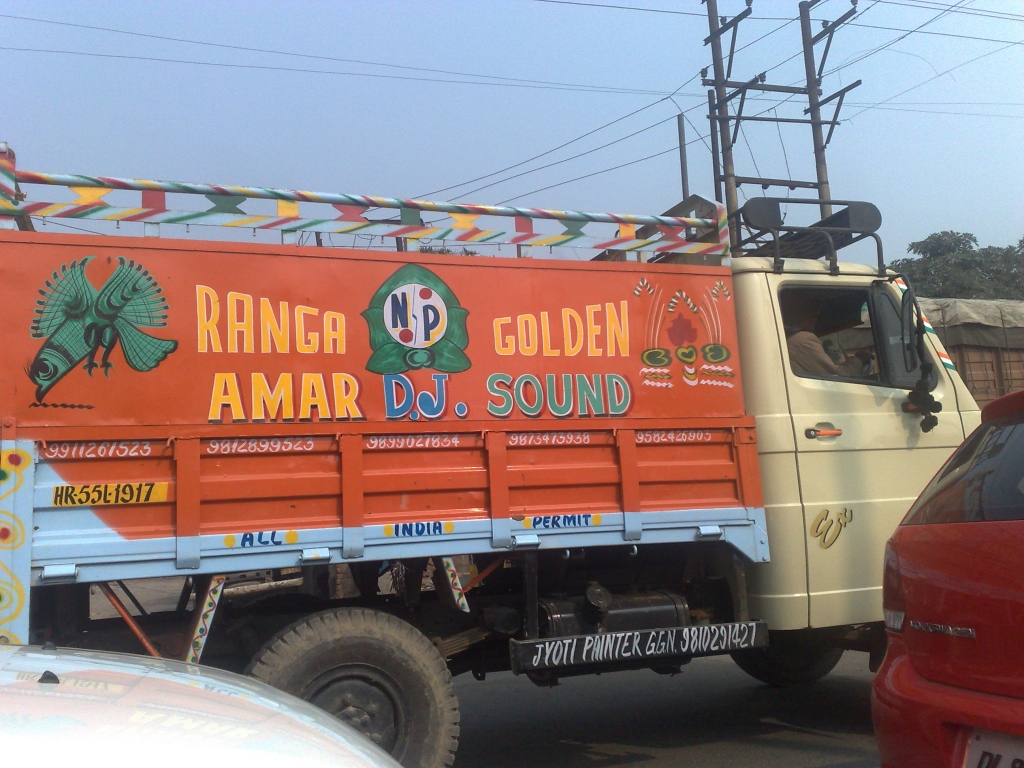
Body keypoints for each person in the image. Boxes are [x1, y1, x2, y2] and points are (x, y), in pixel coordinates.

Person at [780, 292, 872, 378]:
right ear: (799, 314)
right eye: (814, 315)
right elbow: (838, 377)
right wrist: (859, 360)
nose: (815, 321)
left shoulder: (785, 338)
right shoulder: (802, 340)